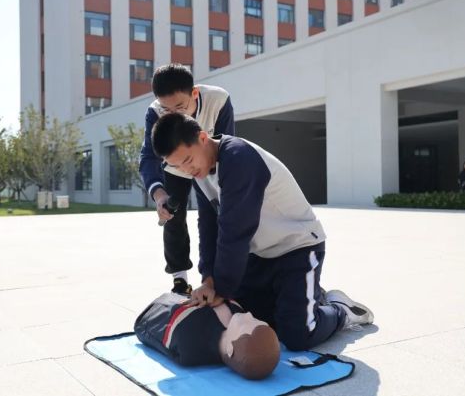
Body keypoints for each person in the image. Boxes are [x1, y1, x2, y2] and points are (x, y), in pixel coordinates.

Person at [151, 113, 374, 351]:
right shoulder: (201, 170)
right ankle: (309, 294)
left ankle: (340, 309)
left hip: (297, 248)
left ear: (202, 138)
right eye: (178, 166)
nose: (187, 169)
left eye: (187, 160)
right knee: (243, 316)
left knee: (298, 335)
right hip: (260, 255)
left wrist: (222, 287)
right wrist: (208, 279)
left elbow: (235, 231)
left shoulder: (238, 158)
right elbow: (208, 226)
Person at [139, 64, 235, 295]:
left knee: (211, 217)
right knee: (173, 218)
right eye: (167, 109)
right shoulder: (154, 112)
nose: (174, 115)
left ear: (194, 93)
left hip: (207, 165)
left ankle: (210, 278)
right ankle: (179, 278)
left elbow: (227, 145)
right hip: (174, 170)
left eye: (180, 107)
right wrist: (159, 195)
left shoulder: (218, 100)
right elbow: (148, 156)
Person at [134, 292, 280, 380]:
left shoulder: (188, 344)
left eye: (247, 323)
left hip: (164, 304)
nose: (248, 314)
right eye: (255, 319)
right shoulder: (237, 312)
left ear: (230, 348)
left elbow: (150, 324)